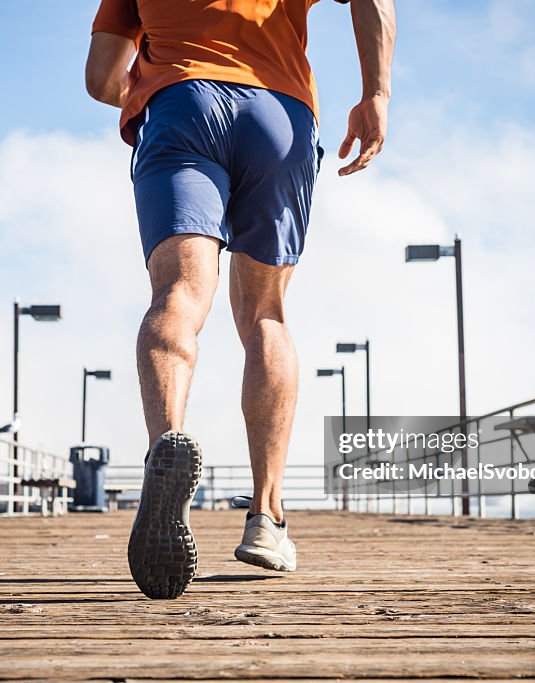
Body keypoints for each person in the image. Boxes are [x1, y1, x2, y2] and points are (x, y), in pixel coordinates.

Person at [85, 0, 395, 600]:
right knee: (266, 316)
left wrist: (151, 83)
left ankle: (165, 453)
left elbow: (101, 77)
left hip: (181, 105)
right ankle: (266, 518)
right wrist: (375, 93)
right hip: (278, 114)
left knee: (177, 296)